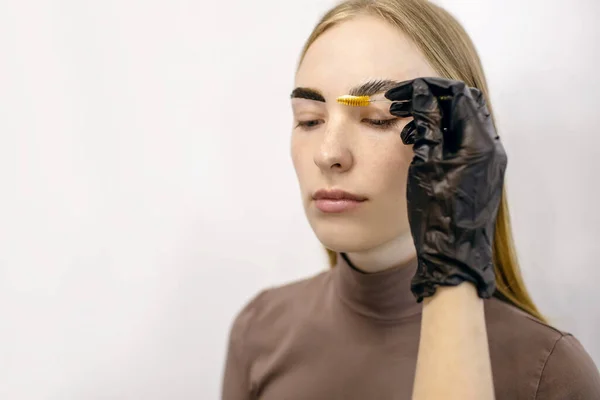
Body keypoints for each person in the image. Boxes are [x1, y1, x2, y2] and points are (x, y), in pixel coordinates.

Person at [221, 0, 600, 399]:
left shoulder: (548, 372)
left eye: (379, 119)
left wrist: (451, 262)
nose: (328, 153)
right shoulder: (259, 330)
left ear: (460, 140)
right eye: (310, 120)